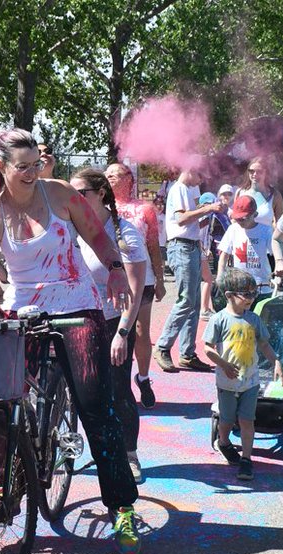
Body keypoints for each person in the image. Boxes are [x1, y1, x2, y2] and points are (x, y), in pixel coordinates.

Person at [0, 129, 142, 554]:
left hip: (76, 305)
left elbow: (97, 235)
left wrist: (115, 268)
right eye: (22, 166)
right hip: (23, 312)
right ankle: (2, 489)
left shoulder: (60, 194)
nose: (32, 172)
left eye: (36, 163)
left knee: (95, 406)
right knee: (1, 400)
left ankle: (121, 507)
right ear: (1, 167)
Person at [71, 168, 149, 479]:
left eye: (81, 194)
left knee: (117, 389)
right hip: (79, 320)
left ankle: (129, 454)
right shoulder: (70, 227)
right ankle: (68, 449)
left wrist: (122, 333)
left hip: (114, 322)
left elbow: (134, 288)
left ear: (100, 193)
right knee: (77, 389)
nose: (73, 200)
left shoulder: (124, 233)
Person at [204, 267, 283, 480]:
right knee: (228, 420)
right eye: (246, 294)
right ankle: (223, 441)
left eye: (253, 293)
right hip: (227, 381)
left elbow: (264, 344)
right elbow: (208, 349)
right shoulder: (219, 320)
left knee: (247, 420)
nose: (251, 298)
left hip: (250, 381)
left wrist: (276, 362)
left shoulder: (254, 319)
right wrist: (223, 364)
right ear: (229, 295)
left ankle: (247, 459)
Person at [105, 163, 165, 409]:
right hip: (111, 279)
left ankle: (143, 378)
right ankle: (117, 384)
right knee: (115, 331)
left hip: (143, 279)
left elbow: (153, 246)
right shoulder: (101, 207)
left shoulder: (144, 209)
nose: (109, 178)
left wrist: (160, 280)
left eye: (115, 175)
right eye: (106, 175)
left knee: (140, 331)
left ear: (128, 178)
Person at [155, 163, 223, 373]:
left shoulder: (190, 189)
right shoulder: (178, 189)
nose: (201, 182)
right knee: (186, 300)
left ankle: (187, 353)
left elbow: (191, 222)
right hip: (181, 247)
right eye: (200, 177)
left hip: (190, 246)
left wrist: (209, 217)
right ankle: (162, 346)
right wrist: (209, 209)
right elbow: (181, 218)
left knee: (192, 303)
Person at [217, 194, 274, 301]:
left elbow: (275, 254)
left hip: (262, 286)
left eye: (243, 218)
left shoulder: (266, 230)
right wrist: (220, 277)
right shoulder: (233, 229)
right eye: (237, 219)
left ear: (255, 214)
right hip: (239, 287)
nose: (240, 222)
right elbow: (224, 255)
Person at [199, 185, 234, 319]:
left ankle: (203, 308)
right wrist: (204, 249)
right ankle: (203, 309)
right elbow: (200, 235)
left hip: (202, 251)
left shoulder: (210, 215)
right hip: (201, 251)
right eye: (208, 203)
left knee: (206, 279)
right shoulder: (206, 216)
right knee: (208, 279)